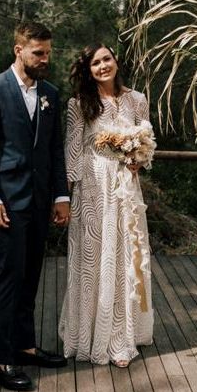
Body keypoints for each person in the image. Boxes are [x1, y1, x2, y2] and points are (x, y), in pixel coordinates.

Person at [0, 21, 70, 391]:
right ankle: (4, 359)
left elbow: (54, 149)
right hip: (8, 203)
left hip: (41, 201)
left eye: (48, 52)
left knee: (30, 277)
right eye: (38, 53)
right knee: (9, 279)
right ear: (19, 50)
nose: (45, 59)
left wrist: (61, 195)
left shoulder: (50, 94)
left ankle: (27, 347)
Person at [58, 44, 154, 367]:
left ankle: (120, 339)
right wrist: (64, 197)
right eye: (95, 63)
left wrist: (137, 159)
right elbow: (71, 152)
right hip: (92, 190)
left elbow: (147, 143)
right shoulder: (78, 105)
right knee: (93, 261)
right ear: (88, 70)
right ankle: (88, 335)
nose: (102, 66)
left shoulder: (136, 100)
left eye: (106, 59)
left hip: (125, 189)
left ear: (116, 61)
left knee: (125, 258)